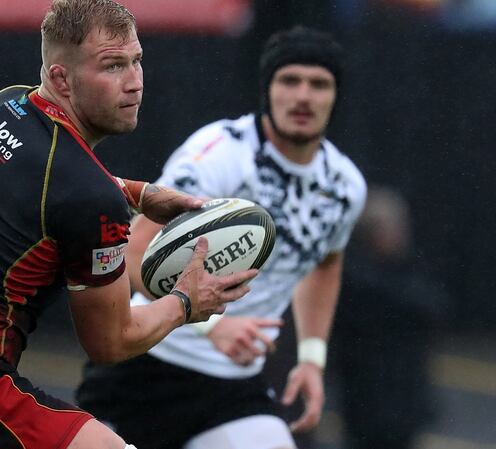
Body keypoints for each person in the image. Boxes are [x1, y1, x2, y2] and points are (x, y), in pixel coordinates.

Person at [0, 1, 257, 449]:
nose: (134, 82)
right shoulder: (88, 197)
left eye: (137, 61)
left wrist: (140, 193)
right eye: (112, 66)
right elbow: (112, 342)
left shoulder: (5, 107)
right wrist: (187, 303)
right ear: (61, 79)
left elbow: (50, 180)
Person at [76, 25, 367, 449]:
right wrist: (213, 325)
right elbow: (135, 252)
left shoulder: (344, 186)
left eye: (319, 84)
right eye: (290, 80)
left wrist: (310, 358)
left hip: (232, 385)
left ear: (336, 95)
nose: (303, 96)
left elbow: (325, 262)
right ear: (267, 88)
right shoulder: (219, 154)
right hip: (146, 365)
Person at [330, 185, 447, 449]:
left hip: (400, 397)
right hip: (369, 398)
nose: (401, 234)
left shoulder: (406, 269)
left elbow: (434, 307)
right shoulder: (358, 277)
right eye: (394, 227)